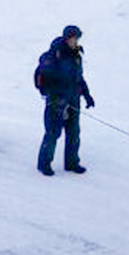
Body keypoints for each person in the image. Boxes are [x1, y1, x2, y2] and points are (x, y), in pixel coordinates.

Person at [34, 25, 95, 177]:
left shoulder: (76, 55)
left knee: (74, 132)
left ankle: (72, 162)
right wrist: (55, 94)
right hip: (57, 100)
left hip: (73, 99)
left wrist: (87, 95)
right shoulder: (55, 55)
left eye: (78, 38)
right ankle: (44, 164)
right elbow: (45, 78)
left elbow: (79, 78)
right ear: (68, 38)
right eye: (74, 38)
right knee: (53, 132)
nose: (76, 41)